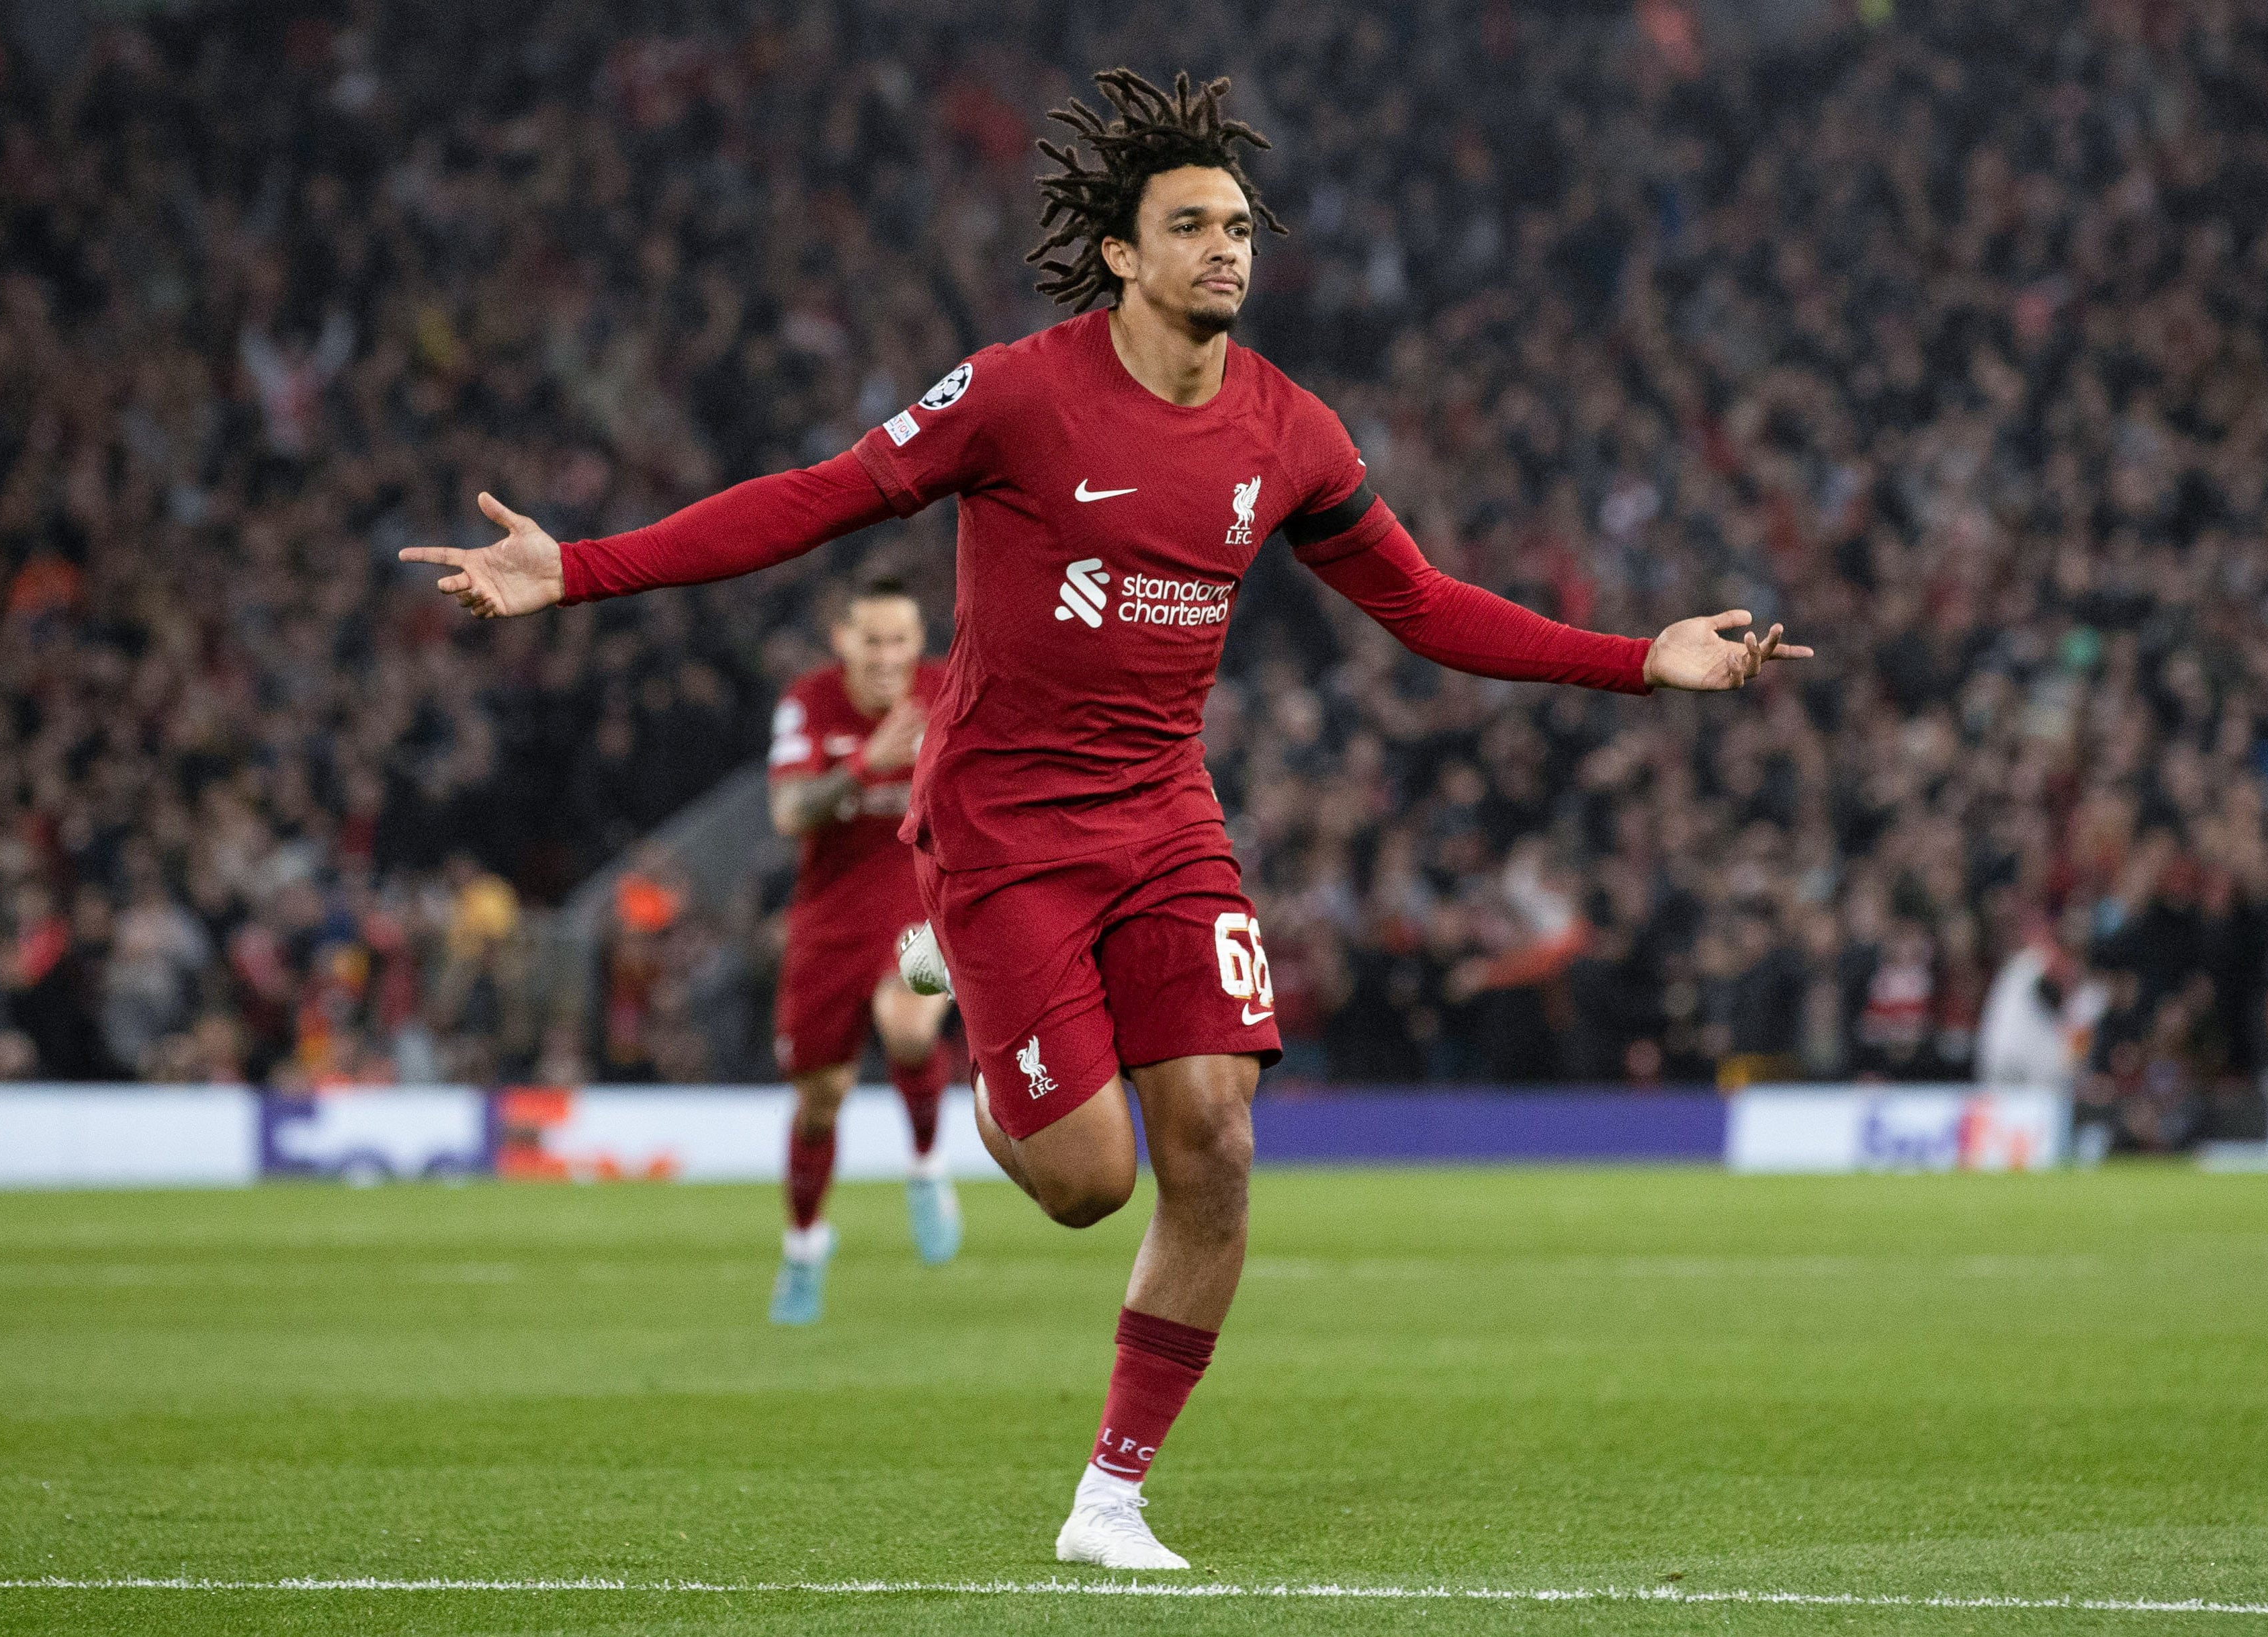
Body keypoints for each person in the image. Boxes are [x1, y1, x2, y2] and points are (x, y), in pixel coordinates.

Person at [401, 69, 1811, 1570]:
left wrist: (1632, 663)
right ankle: (953, 966)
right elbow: (818, 498)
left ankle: (1110, 1500)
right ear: (1124, 255)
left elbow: (1419, 603)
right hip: (1003, 830)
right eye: (1192, 225)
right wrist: (586, 569)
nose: (1228, 250)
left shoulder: (1290, 430)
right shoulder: (1016, 392)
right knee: (1088, 1184)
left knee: (1216, 1139)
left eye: (1241, 226)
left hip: (1163, 820)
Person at [760, 575, 961, 1324]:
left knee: (908, 1024)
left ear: (918, 643)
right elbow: (787, 812)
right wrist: (863, 763)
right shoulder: (808, 702)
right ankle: (805, 1247)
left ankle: (925, 1167)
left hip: (922, 907)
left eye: (899, 640)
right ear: (842, 640)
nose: (885, 657)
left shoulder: (949, 693)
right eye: (870, 640)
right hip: (829, 921)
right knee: (821, 1101)